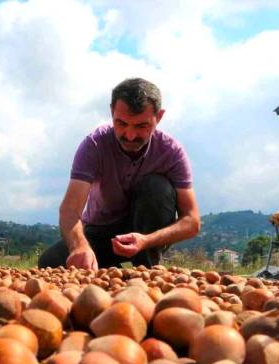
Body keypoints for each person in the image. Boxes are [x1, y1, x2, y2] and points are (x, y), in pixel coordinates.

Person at [39, 78, 200, 270]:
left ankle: (146, 271)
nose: (130, 135)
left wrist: (146, 241)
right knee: (50, 262)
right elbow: (70, 209)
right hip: (100, 231)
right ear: (111, 112)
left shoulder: (171, 152)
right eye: (121, 123)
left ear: (159, 117)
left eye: (141, 126)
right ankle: (110, 270)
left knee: (157, 187)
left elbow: (192, 221)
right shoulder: (95, 145)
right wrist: (79, 246)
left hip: (146, 232)